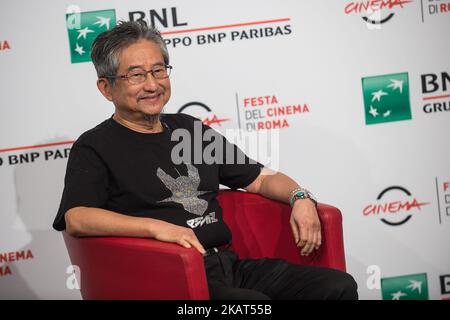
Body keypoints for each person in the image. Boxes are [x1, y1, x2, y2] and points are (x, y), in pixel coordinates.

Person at [53, 20, 358, 300]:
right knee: (251, 305)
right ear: (106, 88)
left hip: (227, 264)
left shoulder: (189, 129)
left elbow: (261, 178)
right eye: (136, 75)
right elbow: (76, 218)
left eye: (159, 70)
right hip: (164, 281)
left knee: (337, 287)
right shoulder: (94, 146)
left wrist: (300, 196)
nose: (152, 84)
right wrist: (158, 229)